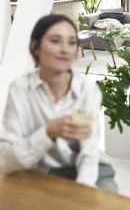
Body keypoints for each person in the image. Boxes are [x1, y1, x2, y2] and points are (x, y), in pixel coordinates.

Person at [0, 14, 118, 192]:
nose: (65, 49)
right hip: (38, 168)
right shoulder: (20, 90)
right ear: (35, 47)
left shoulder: (86, 90)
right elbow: (7, 161)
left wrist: (83, 192)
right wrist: (48, 132)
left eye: (71, 42)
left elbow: (88, 151)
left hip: (89, 170)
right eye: (55, 41)